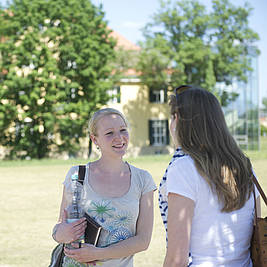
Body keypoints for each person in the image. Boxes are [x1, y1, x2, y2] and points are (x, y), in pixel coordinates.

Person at [158, 85, 261, 267]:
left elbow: (177, 259)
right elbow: (256, 228)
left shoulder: (183, 168)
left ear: (178, 119)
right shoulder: (244, 165)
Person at [52, 108, 157, 267]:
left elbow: (143, 241)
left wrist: (97, 254)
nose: (119, 138)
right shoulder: (77, 175)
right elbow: (58, 230)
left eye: (123, 130)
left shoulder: (143, 179)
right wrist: (63, 233)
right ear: (95, 140)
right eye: (109, 133)